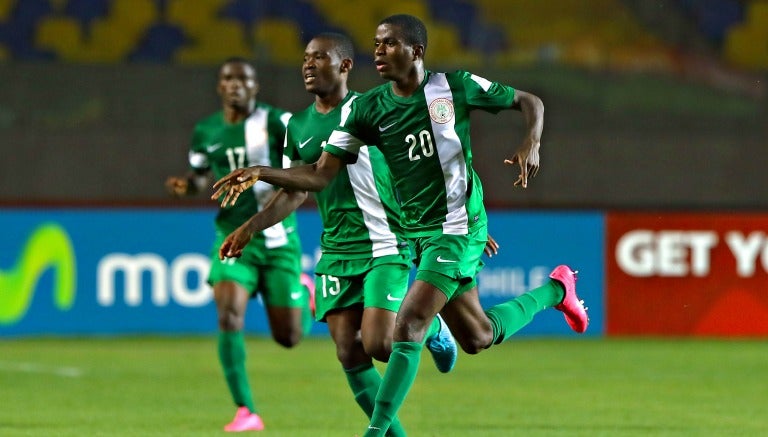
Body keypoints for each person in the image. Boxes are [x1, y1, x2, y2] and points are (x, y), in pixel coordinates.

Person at [212, 15, 589, 436]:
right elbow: (319, 176)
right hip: (420, 231)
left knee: (408, 324)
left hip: (458, 225)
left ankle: (376, 433)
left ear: (416, 51)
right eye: (376, 44)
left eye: (389, 44)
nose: (378, 52)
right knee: (479, 336)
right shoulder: (368, 109)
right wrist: (261, 173)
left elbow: (530, 101)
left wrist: (531, 141)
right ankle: (558, 289)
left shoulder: (454, 86)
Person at [216, 33, 459, 436]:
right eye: (305, 59)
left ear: (345, 66)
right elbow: (296, 189)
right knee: (349, 350)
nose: (309, 65)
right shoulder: (297, 124)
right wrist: (249, 228)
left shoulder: (373, 110)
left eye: (320, 58)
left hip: (383, 243)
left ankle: (432, 327)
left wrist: (457, 216)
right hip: (336, 251)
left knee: (381, 342)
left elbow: (421, 166)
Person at [165, 57, 314, 433]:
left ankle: (303, 290)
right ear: (220, 86)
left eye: (243, 79)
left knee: (289, 338)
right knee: (228, 314)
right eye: (228, 79)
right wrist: (188, 186)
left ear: (255, 87)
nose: (236, 85)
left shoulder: (277, 123)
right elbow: (201, 176)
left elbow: (306, 171)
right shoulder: (206, 131)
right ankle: (246, 410)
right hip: (232, 238)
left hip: (279, 241)